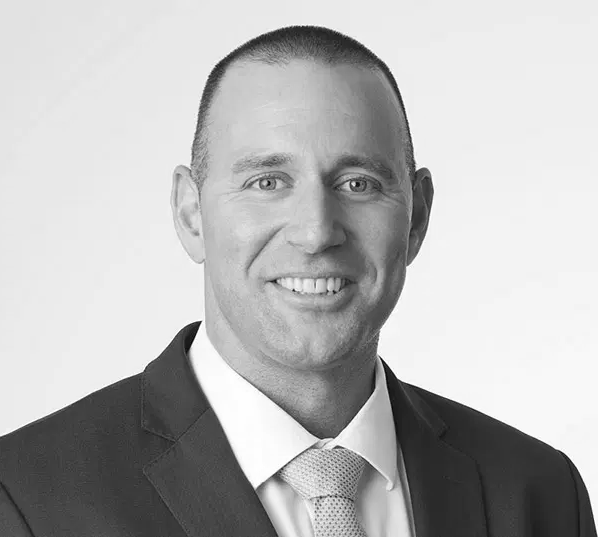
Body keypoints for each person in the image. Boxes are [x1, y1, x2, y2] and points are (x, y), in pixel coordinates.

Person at [0, 24, 595, 537]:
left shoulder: (539, 494)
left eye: (358, 183)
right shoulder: (26, 498)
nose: (315, 232)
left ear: (416, 217)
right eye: (267, 182)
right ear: (190, 213)